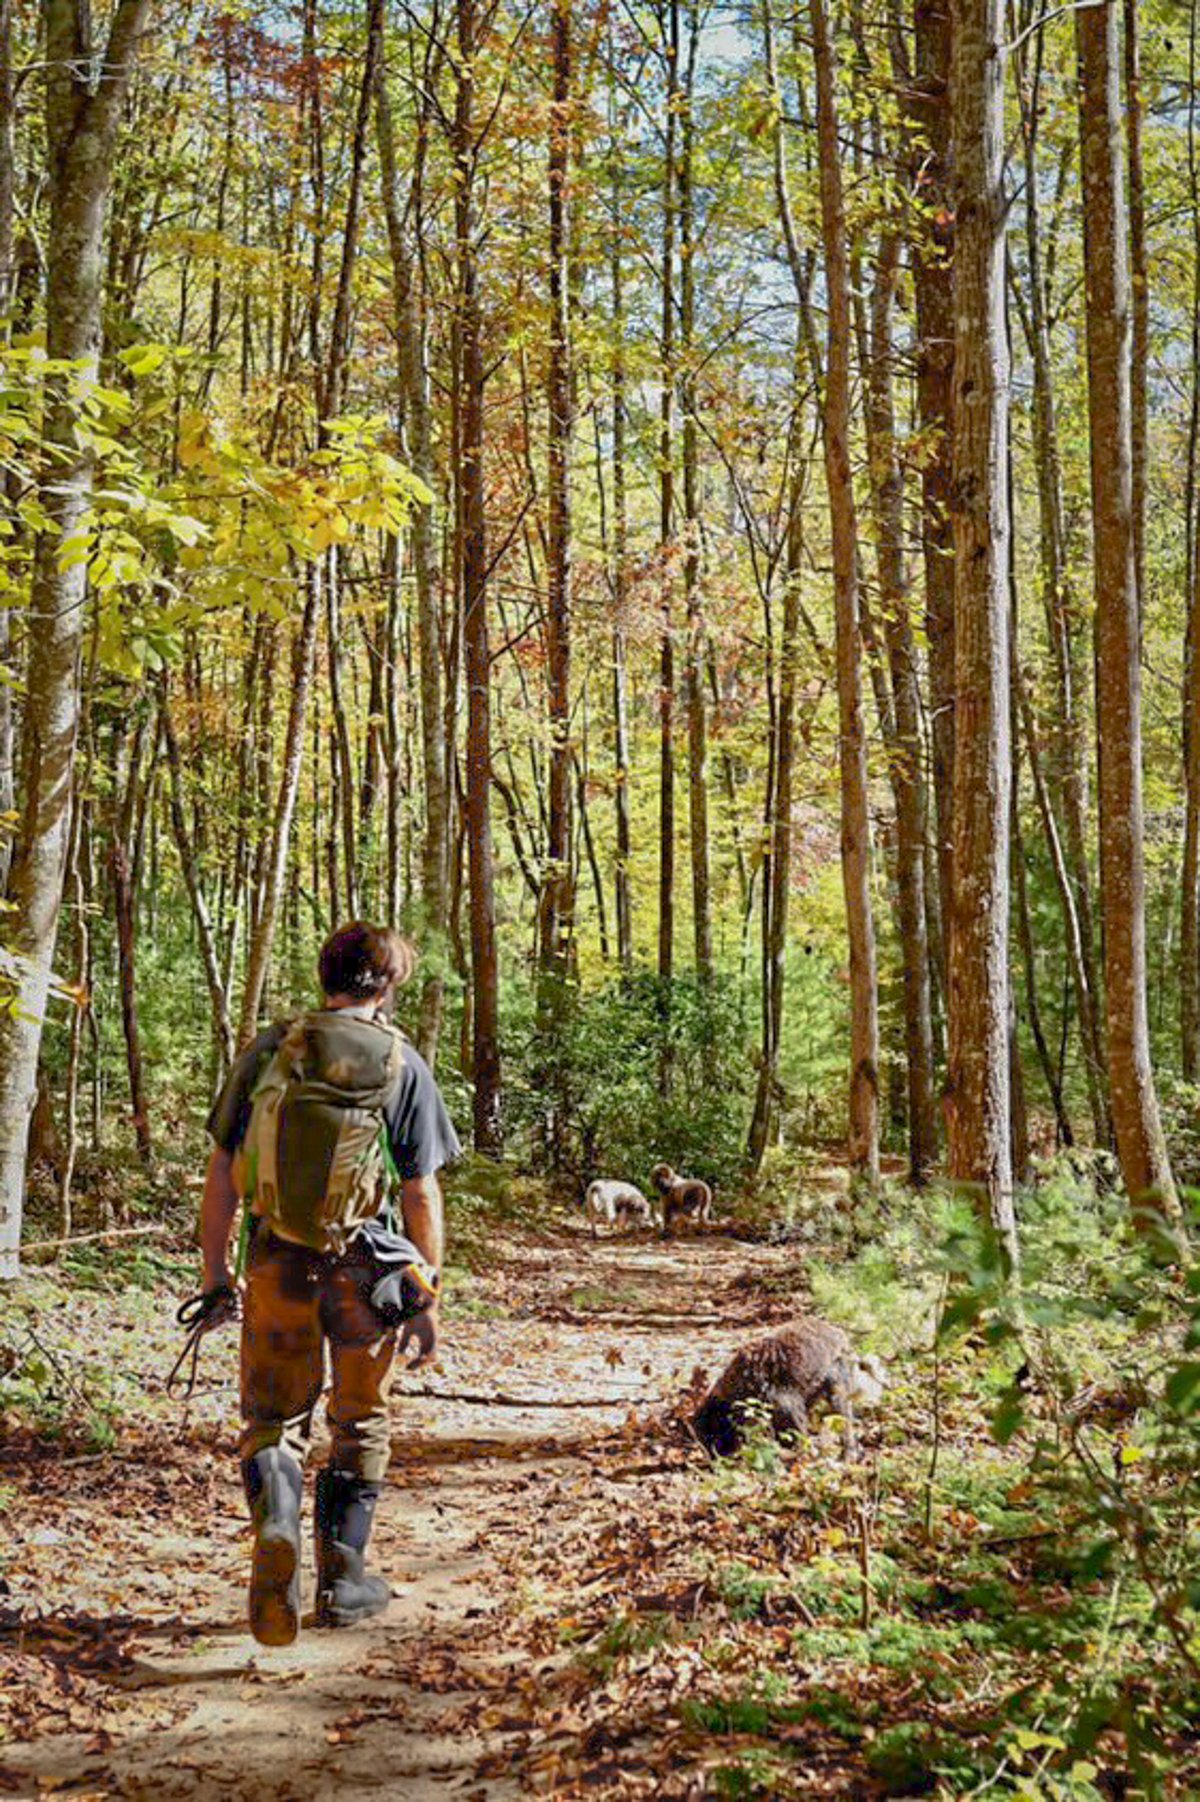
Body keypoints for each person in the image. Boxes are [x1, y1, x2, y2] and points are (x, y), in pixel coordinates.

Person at [200, 922, 461, 1647]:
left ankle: (277, 1526)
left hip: (277, 1259)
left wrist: (217, 1274)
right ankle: (343, 1583)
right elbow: (421, 1194)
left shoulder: (272, 1050)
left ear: (327, 977)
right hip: (366, 1271)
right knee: (361, 1419)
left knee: (272, 1421)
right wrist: (426, 1293)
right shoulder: (402, 1063)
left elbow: (222, 1172)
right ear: (388, 985)